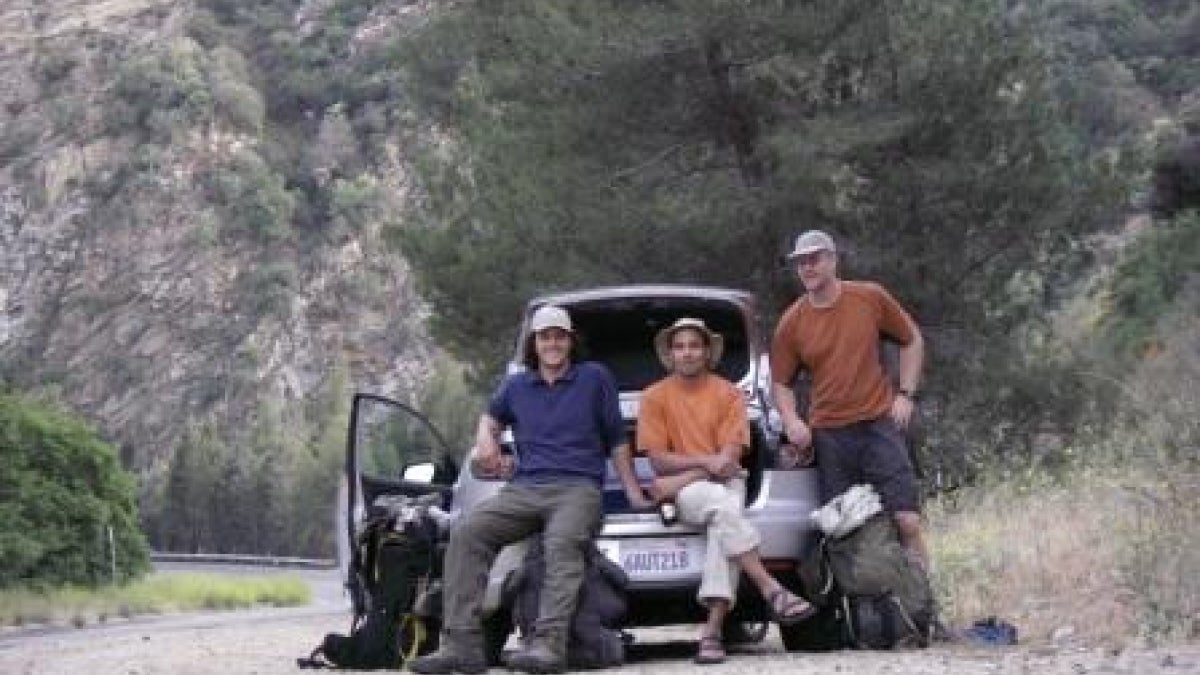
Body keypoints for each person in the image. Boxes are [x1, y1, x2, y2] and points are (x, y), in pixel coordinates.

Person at [410, 305, 627, 675]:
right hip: (526, 488)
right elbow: (490, 416)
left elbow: (618, 440)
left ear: (570, 341)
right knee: (468, 533)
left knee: (560, 541)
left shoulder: (594, 378)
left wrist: (633, 490)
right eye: (545, 337)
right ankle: (462, 645)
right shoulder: (517, 385)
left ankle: (548, 645)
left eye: (560, 336)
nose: (553, 343)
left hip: (578, 488)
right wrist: (485, 438)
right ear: (534, 343)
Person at [612, 318, 816, 666]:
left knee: (723, 513)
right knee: (726, 509)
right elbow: (659, 461)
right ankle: (766, 590)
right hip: (692, 491)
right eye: (680, 347)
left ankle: (713, 631)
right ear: (670, 355)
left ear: (707, 352)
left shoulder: (730, 394)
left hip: (714, 483)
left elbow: (731, 458)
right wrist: (701, 468)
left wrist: (682, 477)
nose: (687, 352)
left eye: (694, 345)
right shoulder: (654, 397)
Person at [769, 229, 930, 570]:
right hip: (829, 436)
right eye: (800, 262)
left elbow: (911, 338)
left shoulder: (869, 297)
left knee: (906, 521)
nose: (807, 268)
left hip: (877, 426)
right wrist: (792, 420)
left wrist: (905, 394)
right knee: (844, 532)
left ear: (832, 260)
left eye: (814, 259)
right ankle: (859, 618)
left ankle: (924, 611)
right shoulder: (792, 322)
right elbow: (780, 383)